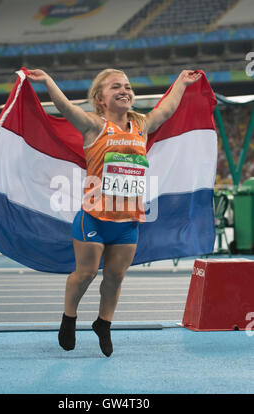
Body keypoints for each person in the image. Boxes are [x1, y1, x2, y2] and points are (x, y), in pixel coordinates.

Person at [27, 67, 202, 356]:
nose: (125, 90)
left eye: (128, 86)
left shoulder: (141, 125)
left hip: (128, 220)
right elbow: (66, 108)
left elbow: (168, 110)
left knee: (115, 277)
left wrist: (181, 82)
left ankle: (103, 324)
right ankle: (68, 319)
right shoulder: (93, 126)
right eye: (115, 87)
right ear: (99, 99)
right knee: (85, 273)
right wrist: (47, 81)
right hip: (93, 217)